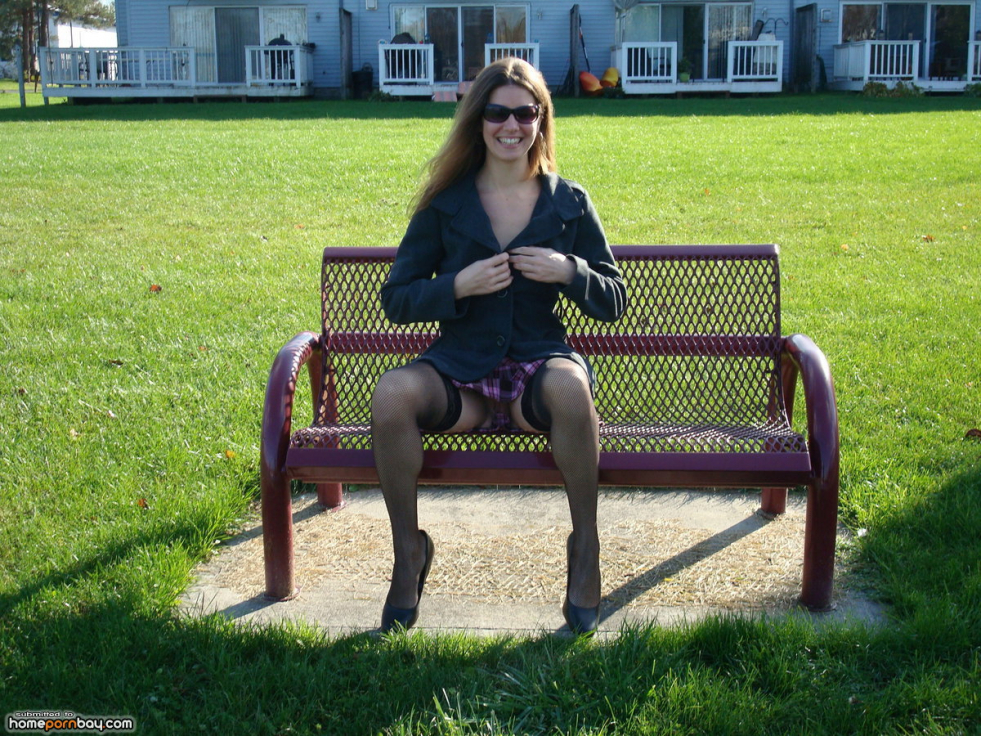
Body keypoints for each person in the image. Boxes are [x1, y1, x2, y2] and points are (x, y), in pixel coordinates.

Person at [371, 57, 627, 635]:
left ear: (541, 120)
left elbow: (613, 298)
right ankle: (408, 553)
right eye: (496, 113)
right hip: (460, 376)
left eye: (524, 113)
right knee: (390, 395)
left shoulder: (569, 203)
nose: (510, 126)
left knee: (570, 386)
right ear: (477, 119)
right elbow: (397, 298)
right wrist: (456, 287)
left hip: (537, 371)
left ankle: (585, 549)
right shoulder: (447, 204)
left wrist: (570, 271)